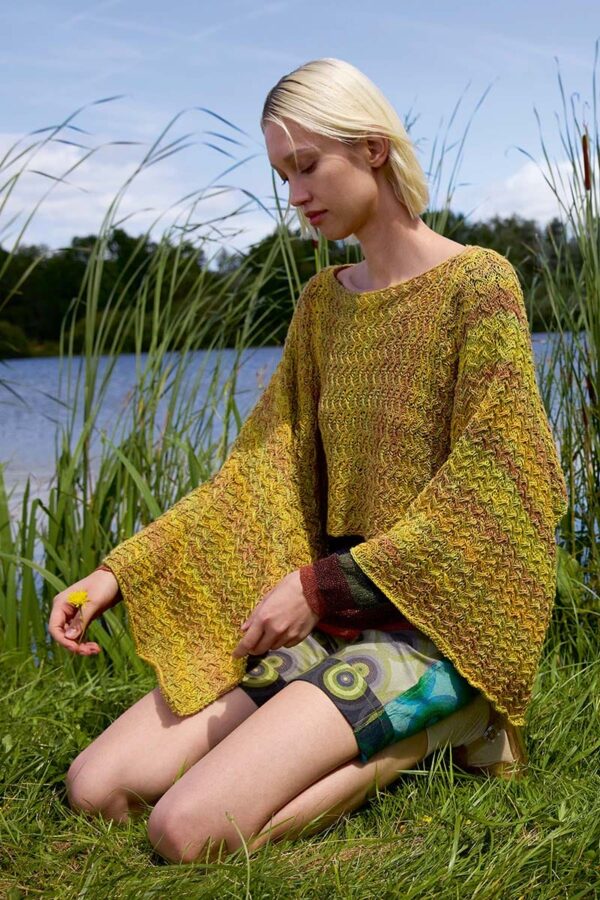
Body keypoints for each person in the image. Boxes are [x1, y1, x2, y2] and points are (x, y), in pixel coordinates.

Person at [48, 57, 568, 866]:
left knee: (185, 832)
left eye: (306, 165)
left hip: (434, 626)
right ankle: (343, 724)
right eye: (282, 175)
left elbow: (497, 488)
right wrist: (118, 573)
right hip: (333, 618)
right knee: (97, 788)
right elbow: (261, 471)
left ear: (371, 149)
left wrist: (321, 586)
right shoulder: (323, 304)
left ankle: (443, 729)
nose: (294, 194)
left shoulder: (478, 285)